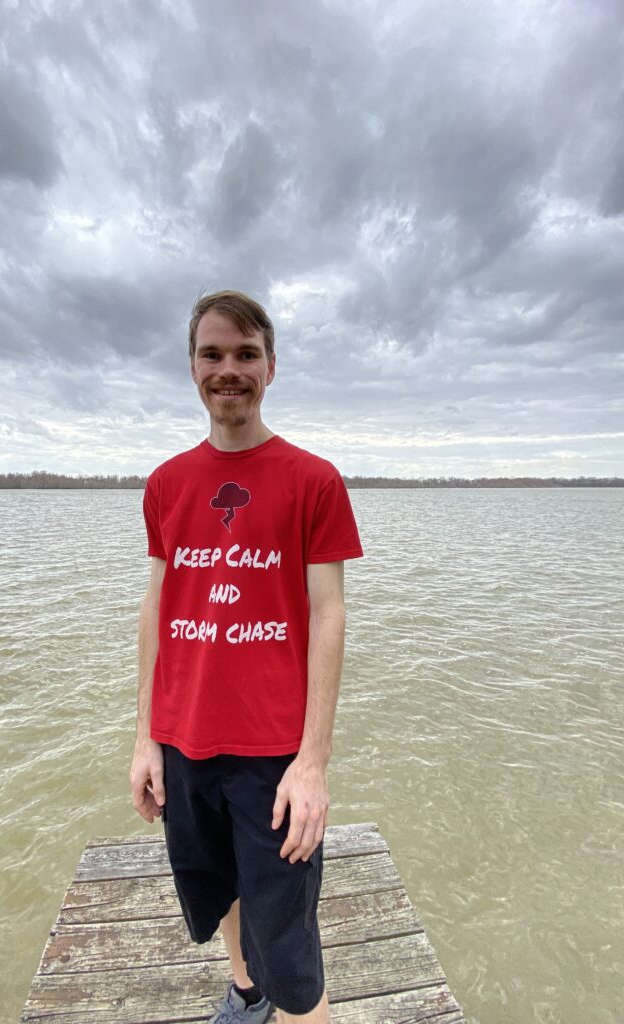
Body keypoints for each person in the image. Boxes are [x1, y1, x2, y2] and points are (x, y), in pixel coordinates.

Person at [130, 290, 363, 1023]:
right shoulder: (167, 483)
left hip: (274, 753)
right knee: (222, 887)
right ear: (191, 367)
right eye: (212, 353)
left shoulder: (312, 479)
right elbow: (157, 609)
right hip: (187, 743)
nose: (228, 369)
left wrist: (313, 760)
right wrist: (146, 737)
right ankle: (245, 990)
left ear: (270, 368)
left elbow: (328, 613)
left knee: (291, 948)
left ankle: (282, 998)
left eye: (245, 354)